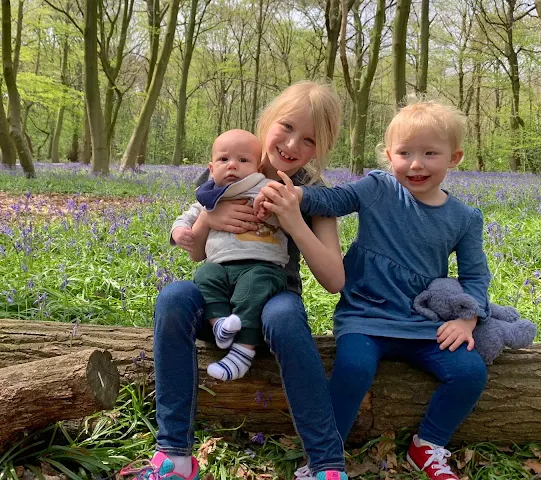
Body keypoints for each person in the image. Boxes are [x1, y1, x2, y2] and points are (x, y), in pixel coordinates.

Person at [120, 82, 348, 480]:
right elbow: (195, 253)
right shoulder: (227, 162)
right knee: (173, 297)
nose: (293, 144)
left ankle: (327, 465)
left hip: (272, 297)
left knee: (285, 319)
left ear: (321, 148)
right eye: (286, 127)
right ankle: (174, 455)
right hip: (216, 305)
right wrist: (210, 220)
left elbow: (334, 279)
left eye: (309, 140)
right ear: (266, 122)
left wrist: (294, 222)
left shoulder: (315, 192)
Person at [257, 101, 491, 480]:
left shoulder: (464, 218)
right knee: (352, 367)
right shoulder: (378, 188)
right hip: (364, 315)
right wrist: (298, 197)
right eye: (405, 153)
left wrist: (468, 318)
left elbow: (476, 276)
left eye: (430, 153)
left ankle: (428, 444)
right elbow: (333, 200)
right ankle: (323, 457)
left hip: (421, 321)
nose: (416, 165)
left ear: (455, 157)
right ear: (388, 155)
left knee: (470, 372)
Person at [171, 129, 289, 381]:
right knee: (205, 274)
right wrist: (179, 231)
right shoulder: (209, 196)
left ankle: (243, 352)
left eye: (243, 160)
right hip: (222, 267)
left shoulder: (264, 188)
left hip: (261, 266)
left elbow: (288, 213)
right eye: (224, 160)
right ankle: (220, 323)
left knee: (253, 289)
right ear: (212, 169)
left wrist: (272, 207)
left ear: (258, 167)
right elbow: (188, 217)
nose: (232, 165)